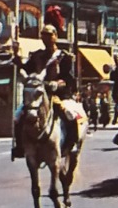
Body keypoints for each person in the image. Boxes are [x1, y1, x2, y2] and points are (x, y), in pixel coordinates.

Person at [11, 13, 78, 160]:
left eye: (48, 35)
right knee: (18, 116)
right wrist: (16, 55)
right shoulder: (36, 55)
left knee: (70, 115)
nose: (45, 38)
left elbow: (69, 79)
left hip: (57, 94)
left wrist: (58, 84)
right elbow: (26, 68)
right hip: (38, 94)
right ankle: (20, 146)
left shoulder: (64, 57)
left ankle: (72, 144)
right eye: (43, 35)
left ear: (55, 36)